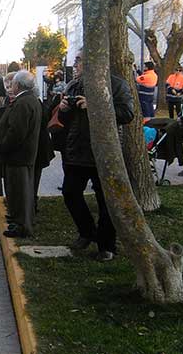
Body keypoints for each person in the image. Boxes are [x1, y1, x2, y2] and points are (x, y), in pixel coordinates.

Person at [59, 54, 134, 261]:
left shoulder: (116, 84)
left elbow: (127, 113)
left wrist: (95, 106)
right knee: (70, 193)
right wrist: (64, 109)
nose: (76, 65)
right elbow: (65, 120)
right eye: (75, 61)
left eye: (80, 60)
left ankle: (106, 245)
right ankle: (86, 232)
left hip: (104, 151)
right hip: (77, 149)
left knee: (106, 201)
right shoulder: (74, 85)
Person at [0, 71, 41, 238]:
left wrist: (3, 146)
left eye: (12, 83)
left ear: (18, 85)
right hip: (22, 156)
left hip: (18, 157)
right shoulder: (29, 99)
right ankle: (21, 222)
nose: (10, 86)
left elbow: (16, 132)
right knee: (20, 192)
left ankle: (21, 226)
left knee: (19, 193)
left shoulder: (23, 102)